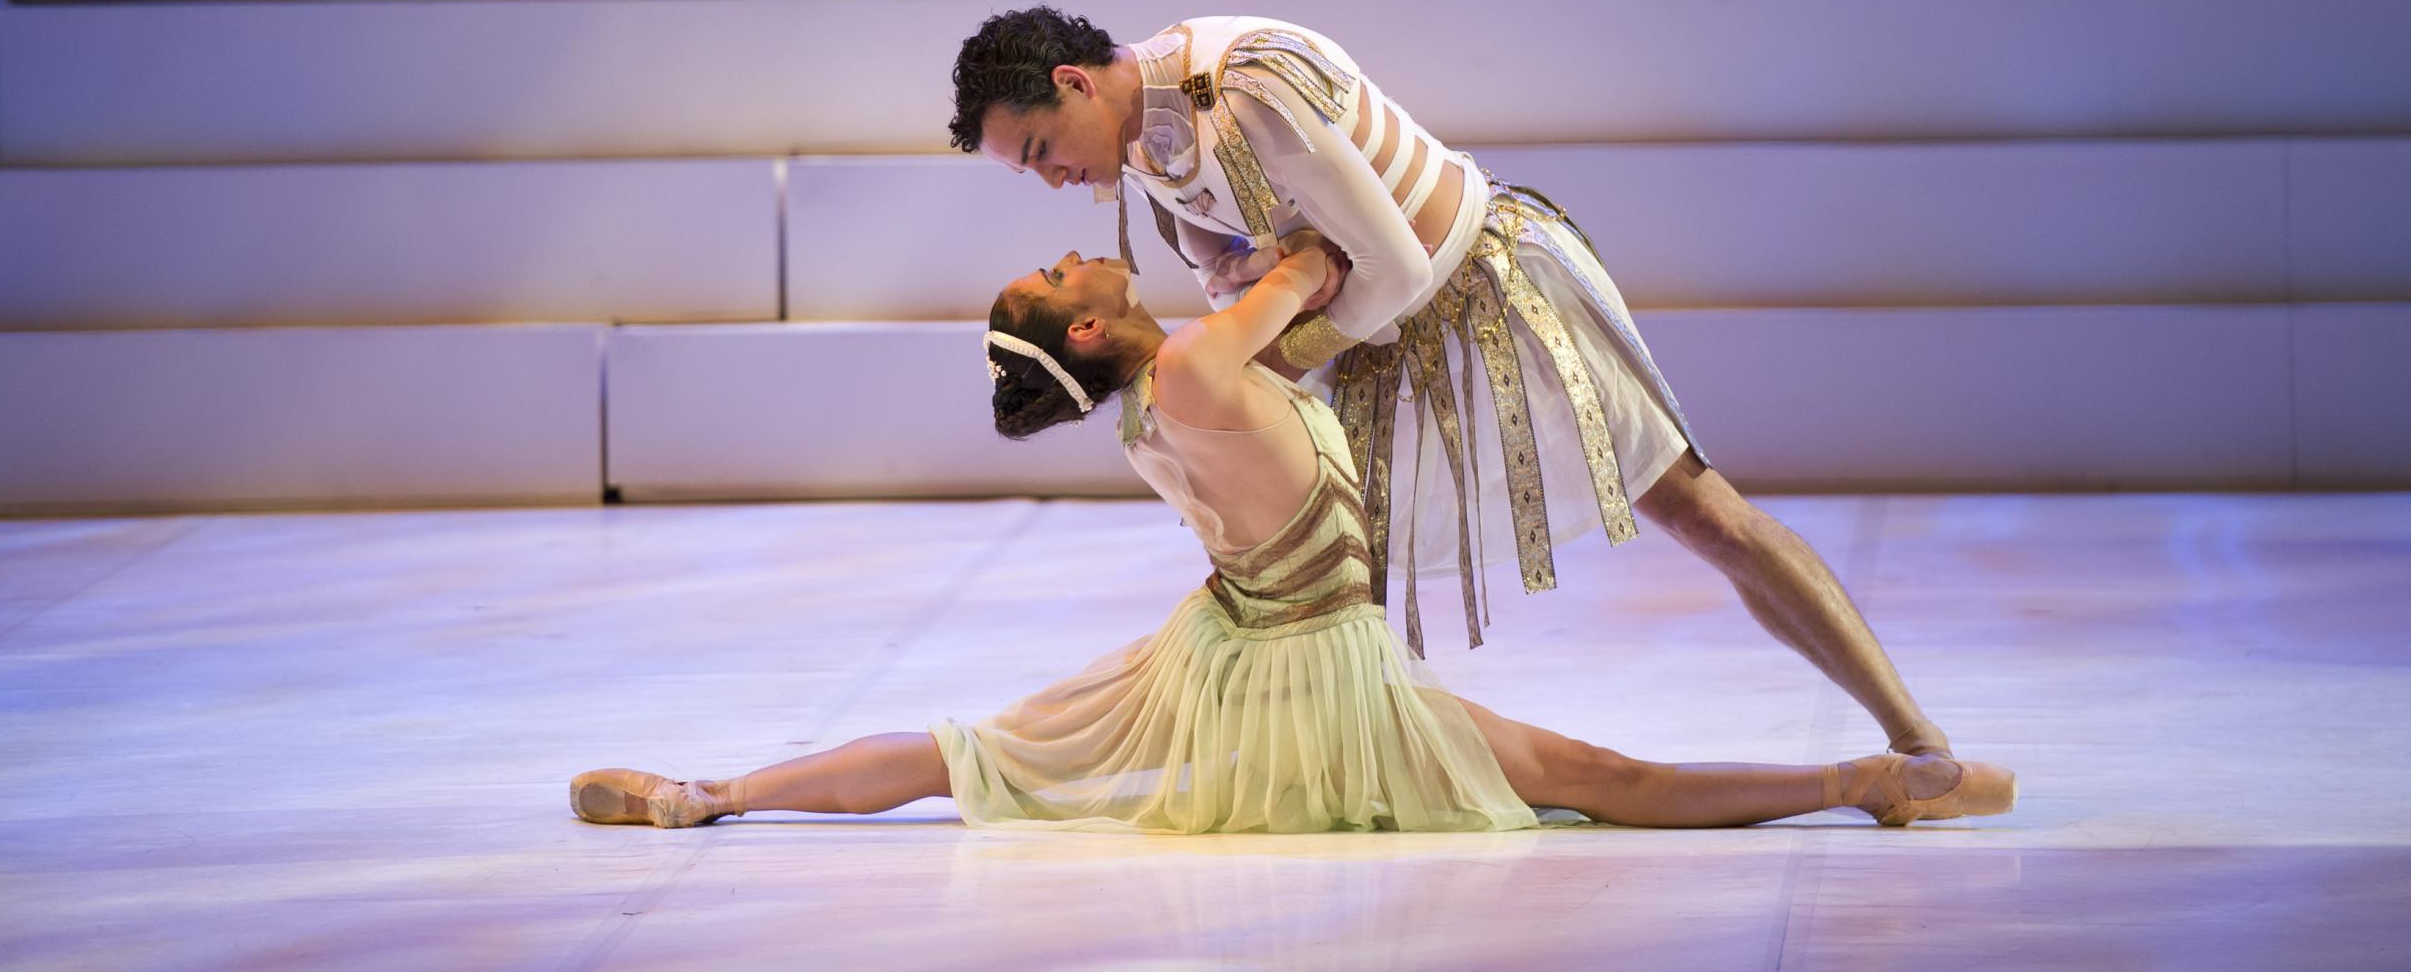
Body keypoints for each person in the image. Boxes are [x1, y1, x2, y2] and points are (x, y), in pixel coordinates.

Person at [569, 244, 2015, 833]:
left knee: (976, 753)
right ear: (1092, 325)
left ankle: (712, 790)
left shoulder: (1155, 402)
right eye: (1064, 271)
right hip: (1313, 660)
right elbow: (1325, 265)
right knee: (1590, 776)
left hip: (1225, 642)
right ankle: (1868, 778)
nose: (1079, 250)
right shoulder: (1199, 361)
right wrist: (1281, 239)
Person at [947, 7, 1955, 759]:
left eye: (1040, 151)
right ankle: (1350, 768)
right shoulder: (1138, 141)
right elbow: (1235, 276)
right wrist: (1270, 303)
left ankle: (1916, 742)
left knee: (1699, 511)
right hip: (1371, 342)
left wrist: (1278, 335)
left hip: (1484, 289)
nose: (1051, 181)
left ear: (1075, 83)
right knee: (1323, 582)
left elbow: (1393, 265)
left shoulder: (1244, 84)